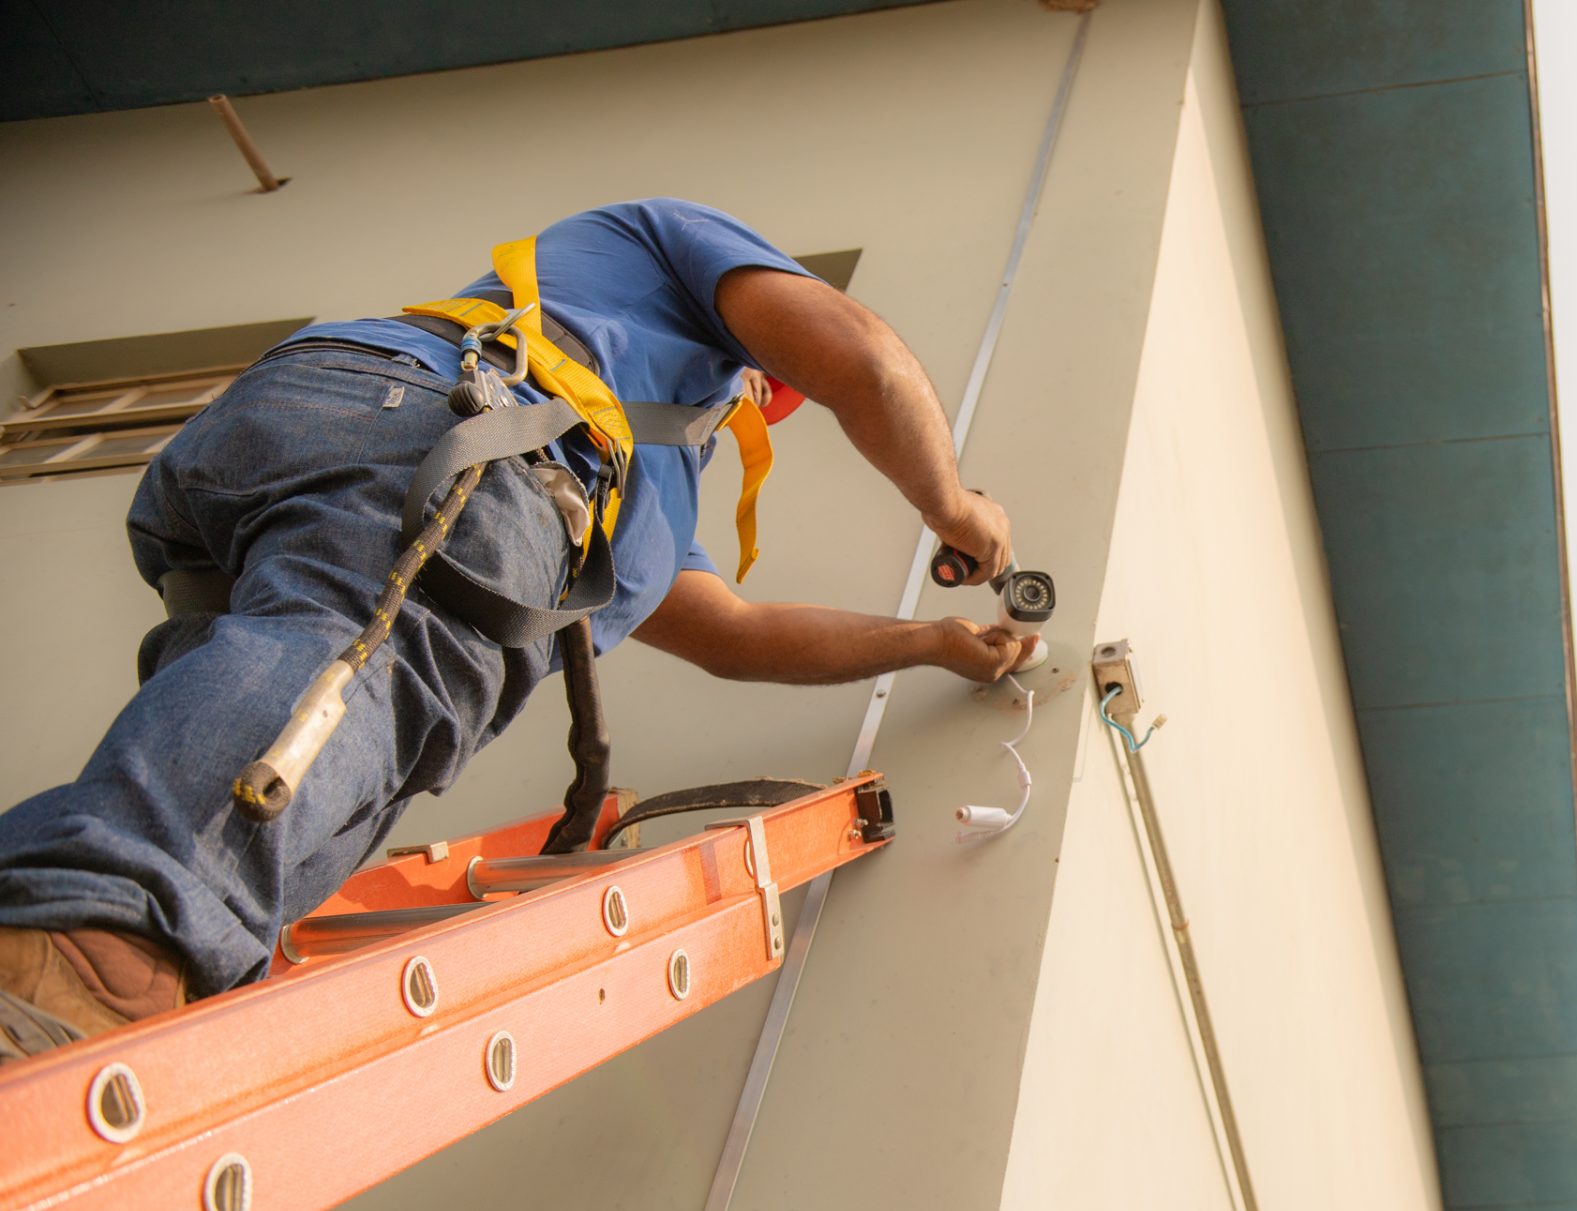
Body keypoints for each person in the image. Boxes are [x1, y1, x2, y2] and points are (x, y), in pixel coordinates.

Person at [0, 198, 1035, 1061]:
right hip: (451, 433)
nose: (754, 392)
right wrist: (957, 509)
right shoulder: (657, 261)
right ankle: (93, 951)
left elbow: (734, 633)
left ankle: (132, 960)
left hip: (310, 435)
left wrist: (932, 641)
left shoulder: (650, 495)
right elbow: (867, 358)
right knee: (367, 671)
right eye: (761, 375)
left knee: (319, 737)